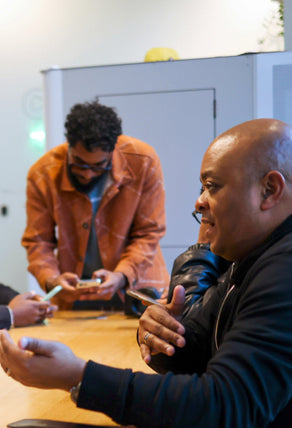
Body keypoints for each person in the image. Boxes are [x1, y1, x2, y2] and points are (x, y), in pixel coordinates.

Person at [1, 118, 292, 427]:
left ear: (269, 190)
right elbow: (200, 360)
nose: (199, 202)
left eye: (212, 187)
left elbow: (223, 404)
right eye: (202, 187)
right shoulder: (245, 260)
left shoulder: (280, 270)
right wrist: (160, 335)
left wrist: (79, 376)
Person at [21, 98, 169, 310]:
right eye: (79, 163)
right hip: (74, 297)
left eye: (99, 165)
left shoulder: (143, 161)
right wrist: (51, 279)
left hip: (137, 290)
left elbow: (149, 232)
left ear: (112, 149)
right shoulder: (43, 173)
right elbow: (38, 242)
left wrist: (121, 274)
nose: (88, 174)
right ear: (68, 145)